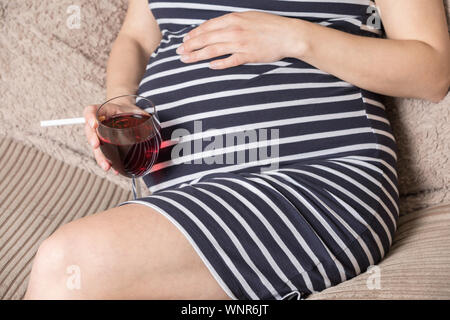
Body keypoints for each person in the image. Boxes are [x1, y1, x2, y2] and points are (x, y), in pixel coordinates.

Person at [25, 0, 449, 299]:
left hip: (316, 180)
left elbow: (432, 71)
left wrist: (296, 37)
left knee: (66, 264)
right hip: (183, 191)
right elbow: (136, 37)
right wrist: (118, 102)